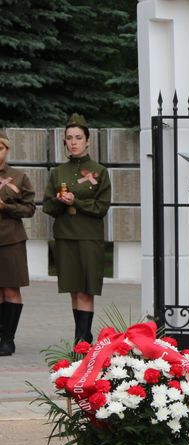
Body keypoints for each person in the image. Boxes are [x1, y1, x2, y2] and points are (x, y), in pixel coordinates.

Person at [42, 114, 111, 344]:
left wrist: (76, 202)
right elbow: (48, 206)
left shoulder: (99, 171)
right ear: (65, 142)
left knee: (86, 290)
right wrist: (59, 201)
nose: (73, 142)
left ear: (88, 140)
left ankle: (82, 341)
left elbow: (102, 207)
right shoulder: (58, 172)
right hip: (65, 236)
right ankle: (81, 336)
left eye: (78, 137)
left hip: (89, 236)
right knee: (73, 289)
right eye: (69, 138)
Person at [0, 129, 36, 356]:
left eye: (0, 148)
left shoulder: (19, 176)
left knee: (11, 288)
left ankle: (8, 339)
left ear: (7, 150)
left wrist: (7, 207)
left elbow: (29, 208)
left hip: (11, 238)